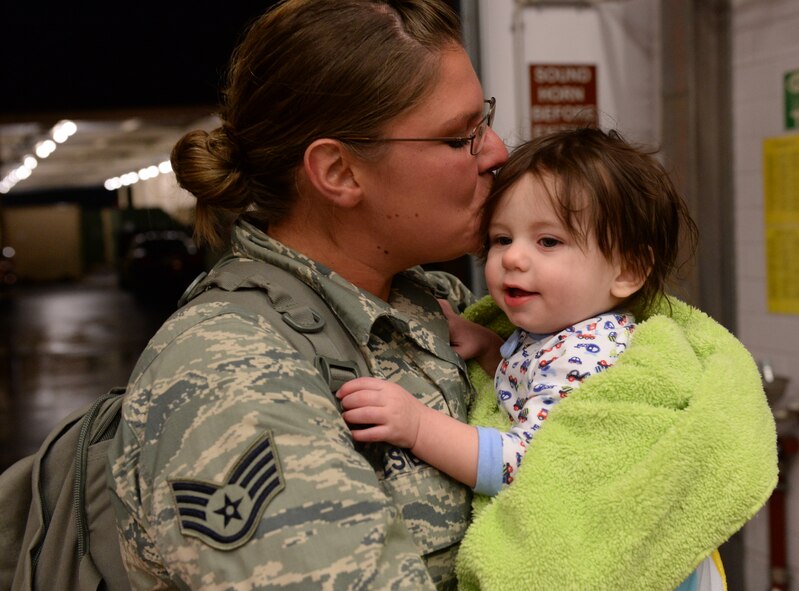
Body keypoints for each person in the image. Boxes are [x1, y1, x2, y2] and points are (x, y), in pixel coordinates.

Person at [106, 1, 508, 589]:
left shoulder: (430, 302)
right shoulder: (231, 376)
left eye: (485, 120)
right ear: (339, 172)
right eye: (459, 137)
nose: (496, 151)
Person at [337, 127, 737, 589]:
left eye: (548, 242)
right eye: (502, 239)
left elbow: (525, 464)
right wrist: (489, 348)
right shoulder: (557, 333)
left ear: (626, 271)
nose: (513, 259)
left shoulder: (587, 353)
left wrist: (419, 426)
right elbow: (538, 398)